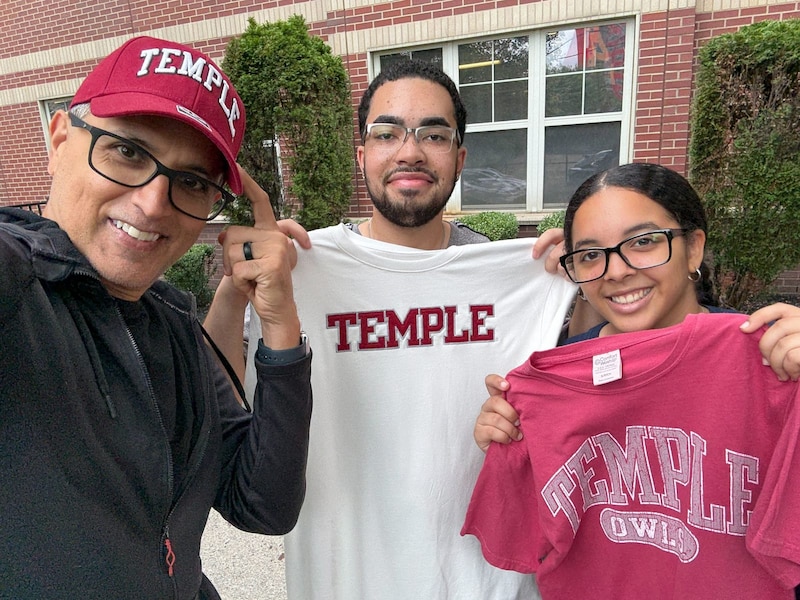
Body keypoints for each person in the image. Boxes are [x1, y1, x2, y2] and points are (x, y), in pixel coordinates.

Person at [204, 60, 577, 599]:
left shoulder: (521, 275)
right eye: (387, 133)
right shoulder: (303, 263)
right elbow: (218, 392)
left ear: (459, 157)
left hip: (482, 579)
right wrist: (234, 290)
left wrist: (592, 267)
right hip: (346, 579)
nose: (410, 151)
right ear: (363, 155)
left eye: (434, 134)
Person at [0, 36, 312, 600]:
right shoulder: (18, 287)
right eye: (128, 152)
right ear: (60, 138)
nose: (152, 202)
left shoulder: (169, 322)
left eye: (192, 181)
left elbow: (263, 503)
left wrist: (279, 321)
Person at [462, 163, 800, 598]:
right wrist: (509, 435)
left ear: (693, 248)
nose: (616, 271)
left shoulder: (770, 362)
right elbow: (521, 539)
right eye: (590, 255)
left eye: (642, 242)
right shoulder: (552, 381)